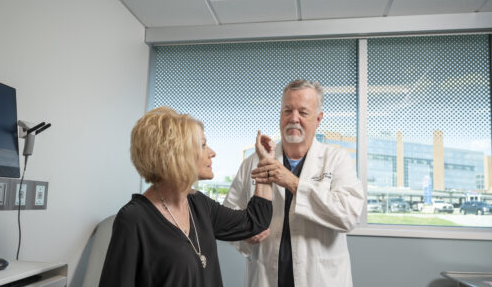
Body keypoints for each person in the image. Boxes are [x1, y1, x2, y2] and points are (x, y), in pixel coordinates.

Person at [99, 106, 275, 287]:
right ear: (176, 153)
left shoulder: (199, 204)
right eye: (203, 145)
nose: (212, 153)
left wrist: (265, 162)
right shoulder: (133, 219)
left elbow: (255, 222)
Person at [223, 79, 365, 287]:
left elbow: (349, 215)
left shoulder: (336, 159)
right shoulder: (254, 162)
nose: (294, 119)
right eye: (287, 110)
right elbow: (229, 215)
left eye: (303, 112)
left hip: (321, 279)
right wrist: (245, 235)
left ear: (318, 118)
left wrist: (293, 183)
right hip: (266, 277)